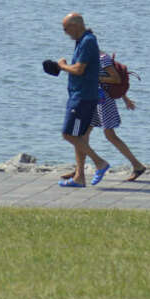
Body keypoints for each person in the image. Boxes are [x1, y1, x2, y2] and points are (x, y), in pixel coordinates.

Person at [63, 51, 147, 185]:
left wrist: (95, 78)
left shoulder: (102, 58)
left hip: (104, 102)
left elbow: (115, 79)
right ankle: (79, 171)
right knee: (82, 136)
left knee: (110, 135)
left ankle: (137, 166)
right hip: (92, 100)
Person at [56, 11, 102, 188]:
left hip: (82, 97)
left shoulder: (87, 41)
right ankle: (79, 177)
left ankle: (99, 162)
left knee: (69, 134)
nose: (65, 32)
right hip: (80, 94)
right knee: (80, 136)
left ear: (75, 26)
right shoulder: (82, 41)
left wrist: (62, 66)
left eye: (66, 28)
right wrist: (61, 68)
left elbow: (79, 69)